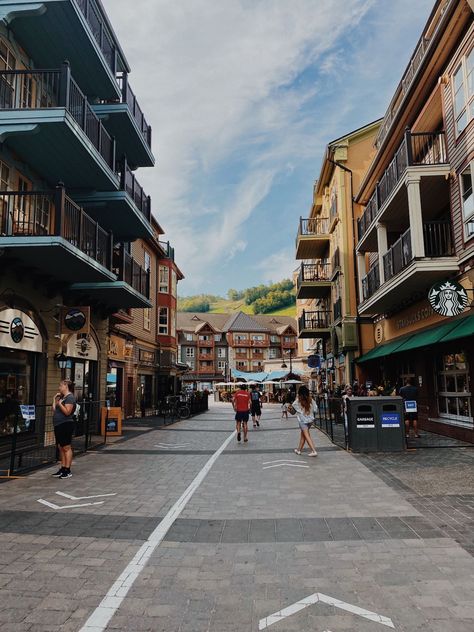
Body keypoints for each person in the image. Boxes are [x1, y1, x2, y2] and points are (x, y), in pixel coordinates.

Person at [51, 380, 76, 479]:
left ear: (66, 386)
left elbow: (67, 412)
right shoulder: (62, 397)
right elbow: (54, 409)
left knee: (66, 447)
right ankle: (63, 468)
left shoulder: (70, 398)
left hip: (65, 424)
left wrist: (60, 404)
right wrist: (54, 399)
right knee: (60, 447)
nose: (59, 387)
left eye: (61, 385)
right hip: (58, 424)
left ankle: (68, 470)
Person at [290, 385, 318, 457]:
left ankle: (313, 451)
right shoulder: (310, 399)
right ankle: (299, 450)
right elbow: (315, 409)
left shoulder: (297, 401)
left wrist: (289, 408)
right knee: (303, 435)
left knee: (307, 435)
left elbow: (293, 411)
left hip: (302, 421)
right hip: (310, 420)